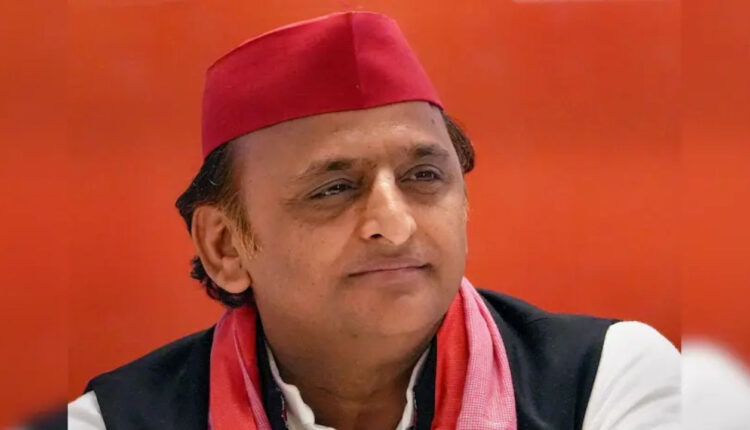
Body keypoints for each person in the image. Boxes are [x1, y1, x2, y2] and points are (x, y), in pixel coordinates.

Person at [67, 11, 679, 430]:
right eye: (334, 189)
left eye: (424, 176)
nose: (395, 223)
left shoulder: (603, 382)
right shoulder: (112, 420)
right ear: (226, 247)